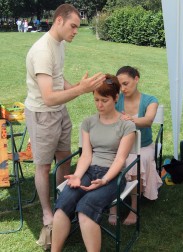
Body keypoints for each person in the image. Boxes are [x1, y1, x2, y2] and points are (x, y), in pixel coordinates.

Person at [24, 3, 106, 248]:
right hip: (42, 115)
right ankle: (48, 212)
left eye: (78, 27)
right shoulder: (42, 51)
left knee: (65, 158)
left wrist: (74, 87)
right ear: (59, 20)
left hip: (59, 112)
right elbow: (48, 96)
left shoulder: (58, 45)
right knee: (43, 165)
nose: (75, 31)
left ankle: (63, 203)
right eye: (73, 26)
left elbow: (57, 79)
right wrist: (81, 90)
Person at [51, 74, 136, 252]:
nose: (99, 105)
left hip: (113, 177)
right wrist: (77, 176)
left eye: (104, 100)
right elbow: (86, 156)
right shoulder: (88, 122)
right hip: (89, 171)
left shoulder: (126, 126)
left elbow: (120, 159)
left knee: (85, 208)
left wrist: (104, 180)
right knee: (63, 203)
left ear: (116, 98)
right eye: (96, 99)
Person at [109, 66, 163, 225]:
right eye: (120, 86)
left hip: (143, 146)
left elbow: (148, 121)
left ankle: (134, 208)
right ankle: (113, 207)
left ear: (136, 79)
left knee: (133, 163)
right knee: (108, 160)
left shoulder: (150, 100)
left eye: (126, 83)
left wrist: (127, 120)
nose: (123, 88)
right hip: (120, 146)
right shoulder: (117, 99)